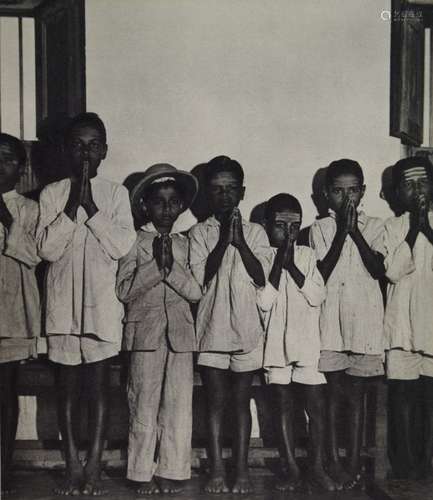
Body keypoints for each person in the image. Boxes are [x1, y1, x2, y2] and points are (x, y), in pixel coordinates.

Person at [36, 112, 135, 496]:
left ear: (105, 151)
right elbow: (46, 248)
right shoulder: (52, 194)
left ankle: (94, 462)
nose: (85, 153)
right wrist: (71, 206)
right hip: (62, 311)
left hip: (101, 309)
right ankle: (71, 463)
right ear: (65, 149)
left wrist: (90, 207)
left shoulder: (116, 194)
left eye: (94, 145)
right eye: (77, 145)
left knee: (98, 390)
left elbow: (121, 246)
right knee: (66, 391)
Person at [116, 164, 201, 495]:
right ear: (144, 206)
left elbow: (196, 291)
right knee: (143, 403)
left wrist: (172, 268)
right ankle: (141, 472)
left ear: (181, 206)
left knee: (179, 405)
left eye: (173, 202)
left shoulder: (186, 243)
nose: (166, 209)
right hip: (144, 338)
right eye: (158, 202)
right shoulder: (134, 242)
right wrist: (156, 267)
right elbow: (123, 290)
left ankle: (172, 469)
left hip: (180, 337)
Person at [189, 155, 271, 494]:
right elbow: (197, 280)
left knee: (241, 403)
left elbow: (262, 276)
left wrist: (239, 241)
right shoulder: (199, 232)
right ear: (208, 194)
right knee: (214, 403)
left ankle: (241, 469)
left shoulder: (256, 231)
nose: (224, 196)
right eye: (217, 190)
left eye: (231, 189)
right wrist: (224, 240)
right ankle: (218, 470)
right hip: (211, 330)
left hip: (247, 330)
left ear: (242, 192)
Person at [309, 159, 385, 489]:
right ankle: (333, 460)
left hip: (365, 325)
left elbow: (377, 269)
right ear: (327, 195)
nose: (347, 198)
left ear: (363, 191)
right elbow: (321, 273)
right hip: (330, 326)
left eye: (353, 190)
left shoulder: (377, 225)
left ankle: (353, 460)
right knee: (331, 397)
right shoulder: (319, 229)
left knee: (357, 399)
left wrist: (356, 231)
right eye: (339, 192)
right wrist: (342, 231)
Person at [259, 193, 336, 492]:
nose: (288, 233)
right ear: (268, 225)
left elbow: (317, 295)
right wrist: (281, 261)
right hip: (276, 345)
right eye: (280, 225)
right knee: (282, 406)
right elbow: (264, 302)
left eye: (294, 226)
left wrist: (293, 265)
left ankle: (316, 467)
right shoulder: (263, 256)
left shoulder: (307, 255)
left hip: (307, 343)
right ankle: (290, 466)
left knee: (315, 406)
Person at [383, 156, 433, 480]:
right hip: (401, 325)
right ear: (396, 192)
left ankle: (428, 460)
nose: (416, 191)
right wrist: (415, 227)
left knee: (429, 395)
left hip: (431, 323)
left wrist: (426, 225)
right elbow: (393, 270)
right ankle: (405, 463)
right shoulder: (391, 227)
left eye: (422, 182)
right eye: (408, 185)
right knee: (401, 395)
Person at [0, 133, 41, 495]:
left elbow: (32, 254)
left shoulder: (28, 208)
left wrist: (3, 213)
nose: (1, 166)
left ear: (22, 167)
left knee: (5, 390)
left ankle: (4, 468)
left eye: (9, 159)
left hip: (12, 313)